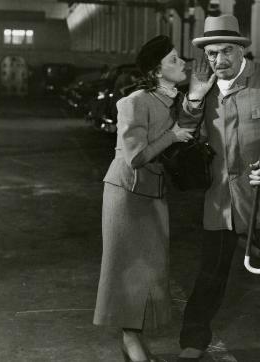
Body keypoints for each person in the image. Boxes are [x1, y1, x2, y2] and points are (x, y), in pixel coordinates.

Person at [177, 14, 260, 361]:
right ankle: (193, 339)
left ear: (241, 51)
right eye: (212, 54)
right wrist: (193, 101)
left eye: (226, 52)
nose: (219, 61)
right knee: (210, 274)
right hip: (221, 202)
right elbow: (184, 133)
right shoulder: (202, 89)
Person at [93, 36, 195, 362]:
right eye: (174, 60)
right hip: (127, 195)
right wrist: (173, 135)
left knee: (149, 271)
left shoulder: (170, 98)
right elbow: (135, 156)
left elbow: (187, 124)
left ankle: (132, 341)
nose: (182, 64)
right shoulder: (134, 102)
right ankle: (131, 340)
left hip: (151, 193)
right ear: (156, 71)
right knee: (127, 271)